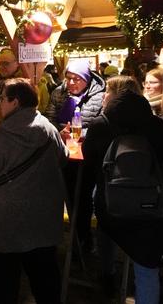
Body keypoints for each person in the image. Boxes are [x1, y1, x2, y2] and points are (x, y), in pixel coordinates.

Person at [0, 78, 67, 304]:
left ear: (15, 102)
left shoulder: (1, 135)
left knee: (4, 286)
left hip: (5, 225)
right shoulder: (48, 128)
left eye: (3, 99)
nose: (0, 103)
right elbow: (62, 158)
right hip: (42, 221)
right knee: (45, 283)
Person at [83, 76, 163, 303]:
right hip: (149, 202)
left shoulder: (100, 124)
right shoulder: (156, 124)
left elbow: (89, 159)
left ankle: (107, 275)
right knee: (146, 262)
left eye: (107, 92)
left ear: (115, 95)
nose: (103, 96)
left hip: (110, 202)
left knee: (105, 230)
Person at [44, 59, 106, 253]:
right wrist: (58, 132)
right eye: (69, 78)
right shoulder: (58, 93)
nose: (71, 83)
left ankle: (84, 239)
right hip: (62, 153)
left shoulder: (99, 96)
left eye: (77, 79)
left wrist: (79, 134)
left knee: (83, 197)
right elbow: (49, 118)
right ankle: (68, 239)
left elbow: (100, 125)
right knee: (66, 194)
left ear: (86, 80)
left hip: (87, 156)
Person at [0, 47, 47, 128]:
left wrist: (2, 126)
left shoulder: (25, 84)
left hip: (9, 132)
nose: (1, 67)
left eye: (6, 63)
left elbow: (30, 113)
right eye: (0, 63)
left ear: (17, 63)